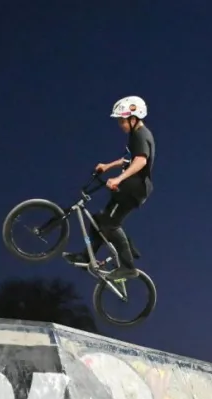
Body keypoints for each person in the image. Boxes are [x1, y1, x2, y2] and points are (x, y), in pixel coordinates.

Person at [61, 95, 156, 281]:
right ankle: (87, 256)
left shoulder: (141, 135)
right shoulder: (135, 135)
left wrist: (119, 178)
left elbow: (140, 161)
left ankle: (128, 267)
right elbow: (128, 158)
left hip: (134, 190)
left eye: (122, 120)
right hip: (128, 188)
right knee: (98, 220)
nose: (120, 124)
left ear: (134, 118)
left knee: (110, 225)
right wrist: (107, 166)